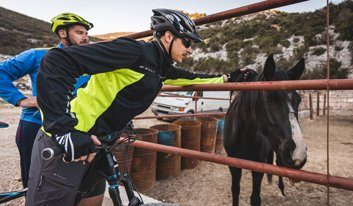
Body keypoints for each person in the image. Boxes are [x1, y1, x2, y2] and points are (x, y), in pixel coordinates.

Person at [26, 9, 256, 206]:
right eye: (187, 42)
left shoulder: (160, 66)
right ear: (168, 36)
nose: (190, 49)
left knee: (90, 200)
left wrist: (228, 77)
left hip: (98, 144)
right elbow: (57, 61)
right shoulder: (135, 51)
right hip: (69, 140)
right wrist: (63, 129)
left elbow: (190, 77)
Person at [0, 12, 93, 188]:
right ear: (63, 33)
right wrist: (20, 100)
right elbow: (1, 72)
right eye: (80, 33)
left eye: (86, 33)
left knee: (67, 180)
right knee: (34, 181)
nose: (86, 37)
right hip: (35, 125)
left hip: (74, 127)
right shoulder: (37, 55)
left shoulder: (88, 61)